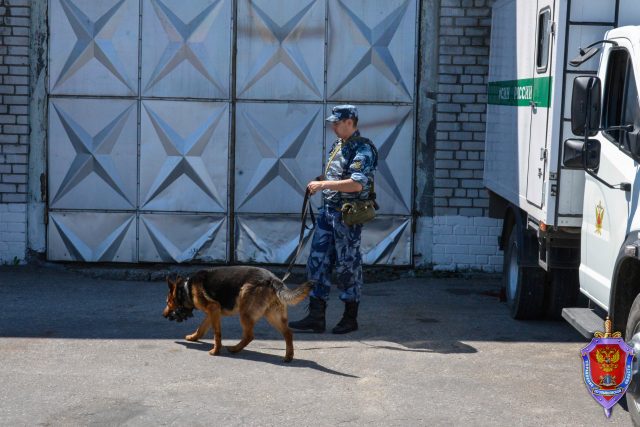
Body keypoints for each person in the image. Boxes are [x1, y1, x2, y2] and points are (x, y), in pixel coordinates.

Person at [289, 105, 377, 334]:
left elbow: (356, 184)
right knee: (317, 262)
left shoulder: (363, 149)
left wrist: (324, 184)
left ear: (350, 121)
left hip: (347, 216)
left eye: (337, 122)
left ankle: (350, 318)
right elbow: (335, 176)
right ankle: (316, 317)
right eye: (333, 123)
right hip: (328, 213)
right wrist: (319, 181)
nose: (333, 126)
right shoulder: (339, 145)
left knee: (347, 266)